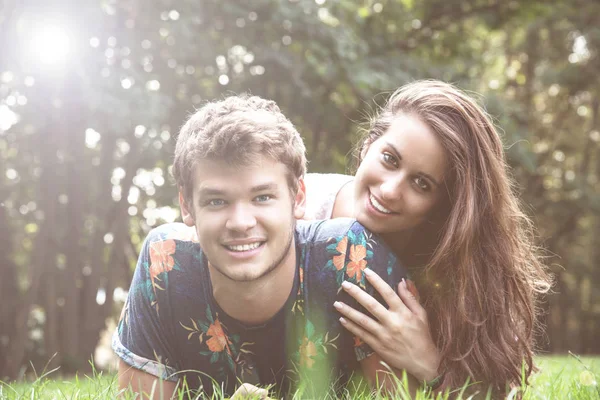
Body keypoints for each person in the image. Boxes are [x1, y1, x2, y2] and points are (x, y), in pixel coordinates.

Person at [112, 95, 411, 398]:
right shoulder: (164, 264)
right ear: (186, 206)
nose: (241, 222)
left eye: (262, 197)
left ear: (298, 198)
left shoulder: (351, 255)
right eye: (217, 201)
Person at [301, 80, 553, 394]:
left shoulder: (451, 272)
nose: (390, 191)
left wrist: (426, 360)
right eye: (390, 159)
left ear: (443, 205)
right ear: (368, 145)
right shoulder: (298, 205)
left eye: (422, 183)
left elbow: (490, 392)